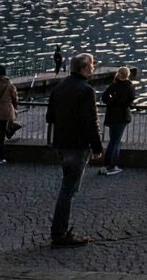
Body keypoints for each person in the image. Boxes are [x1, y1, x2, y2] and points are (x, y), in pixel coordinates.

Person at [46, 53, 103, 247]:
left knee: (67, 187)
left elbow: (49, 116)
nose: (93, 68)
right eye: (92, 65)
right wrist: (97, 147)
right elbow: (90, 122)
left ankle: (59, 231)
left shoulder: (59, 87)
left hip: (61, 144)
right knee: (68, 190)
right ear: (84, 68)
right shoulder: (86, 91)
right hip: (77, 145)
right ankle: (60, 233)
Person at [99, 66, 134, 176]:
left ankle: (108, 164)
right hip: (122, 117)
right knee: (115, 142)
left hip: (111, 116)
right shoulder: (129, 87)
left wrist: (112, 100)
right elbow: (130, 100)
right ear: (127, 75)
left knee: (113, 141)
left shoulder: (113, 86)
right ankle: (111, 165)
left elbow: (104, 98)